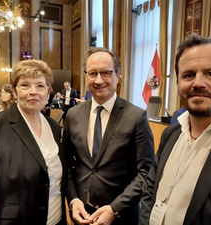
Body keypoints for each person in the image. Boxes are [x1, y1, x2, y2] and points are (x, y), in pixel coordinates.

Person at [139, 33, 211, 225]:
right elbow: (149, 192)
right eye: (188, 75)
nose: (198, 83)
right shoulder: (171, 133)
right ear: (178, 83)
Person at [0, 59, 67, 225]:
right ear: (15, 91)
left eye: (40, 86)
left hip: (56, 220)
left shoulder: (53, 126)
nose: (33, 92)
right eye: (25, 85)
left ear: (48, 93)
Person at [63, 47, 154, 225]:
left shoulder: (136, 117)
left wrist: (115, 209)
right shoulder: (73, 115)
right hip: (82, 215)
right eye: (92, 73)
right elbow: (65, 165)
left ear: (117, 76)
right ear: (85, 76)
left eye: (106, 73)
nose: (98, 80)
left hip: (121, 216)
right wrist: (73, 199)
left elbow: (146, 172)